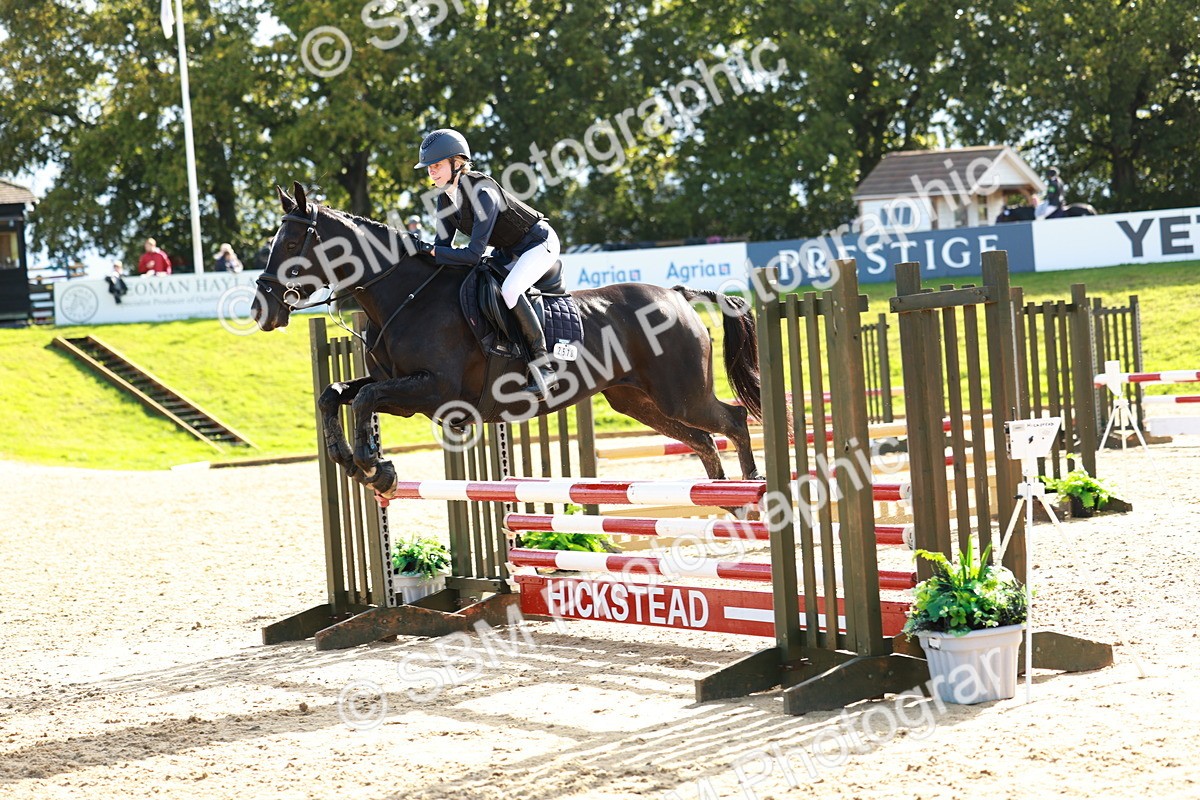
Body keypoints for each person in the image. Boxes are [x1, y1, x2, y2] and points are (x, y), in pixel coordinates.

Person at [413, 128, 561, 398]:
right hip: (508, 251)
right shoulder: (444, 198)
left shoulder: (483, 191)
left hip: (537, 244)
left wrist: (432, 252)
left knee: (510, 291)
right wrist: (418, 254)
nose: (431, 172)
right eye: (429, 168)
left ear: (457, 163)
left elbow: (472, 254)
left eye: (437, 165)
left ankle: (544, 366)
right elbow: (442, 248)